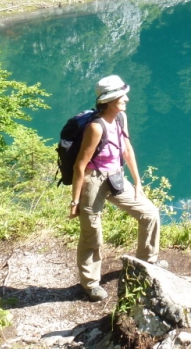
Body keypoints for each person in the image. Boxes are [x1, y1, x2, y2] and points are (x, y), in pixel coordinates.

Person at [68, 75, 166, 302]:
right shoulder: (96, 127)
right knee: (93, 234)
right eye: (122, 97)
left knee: (150, 213)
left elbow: (127, 149)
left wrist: (138, 182)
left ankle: (146, 263)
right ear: (110, 100)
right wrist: (75, 202)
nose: (127, 99)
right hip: (94, 181)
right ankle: (90, 284)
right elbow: (80, 166)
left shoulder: (121, 117)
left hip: (116, 177)